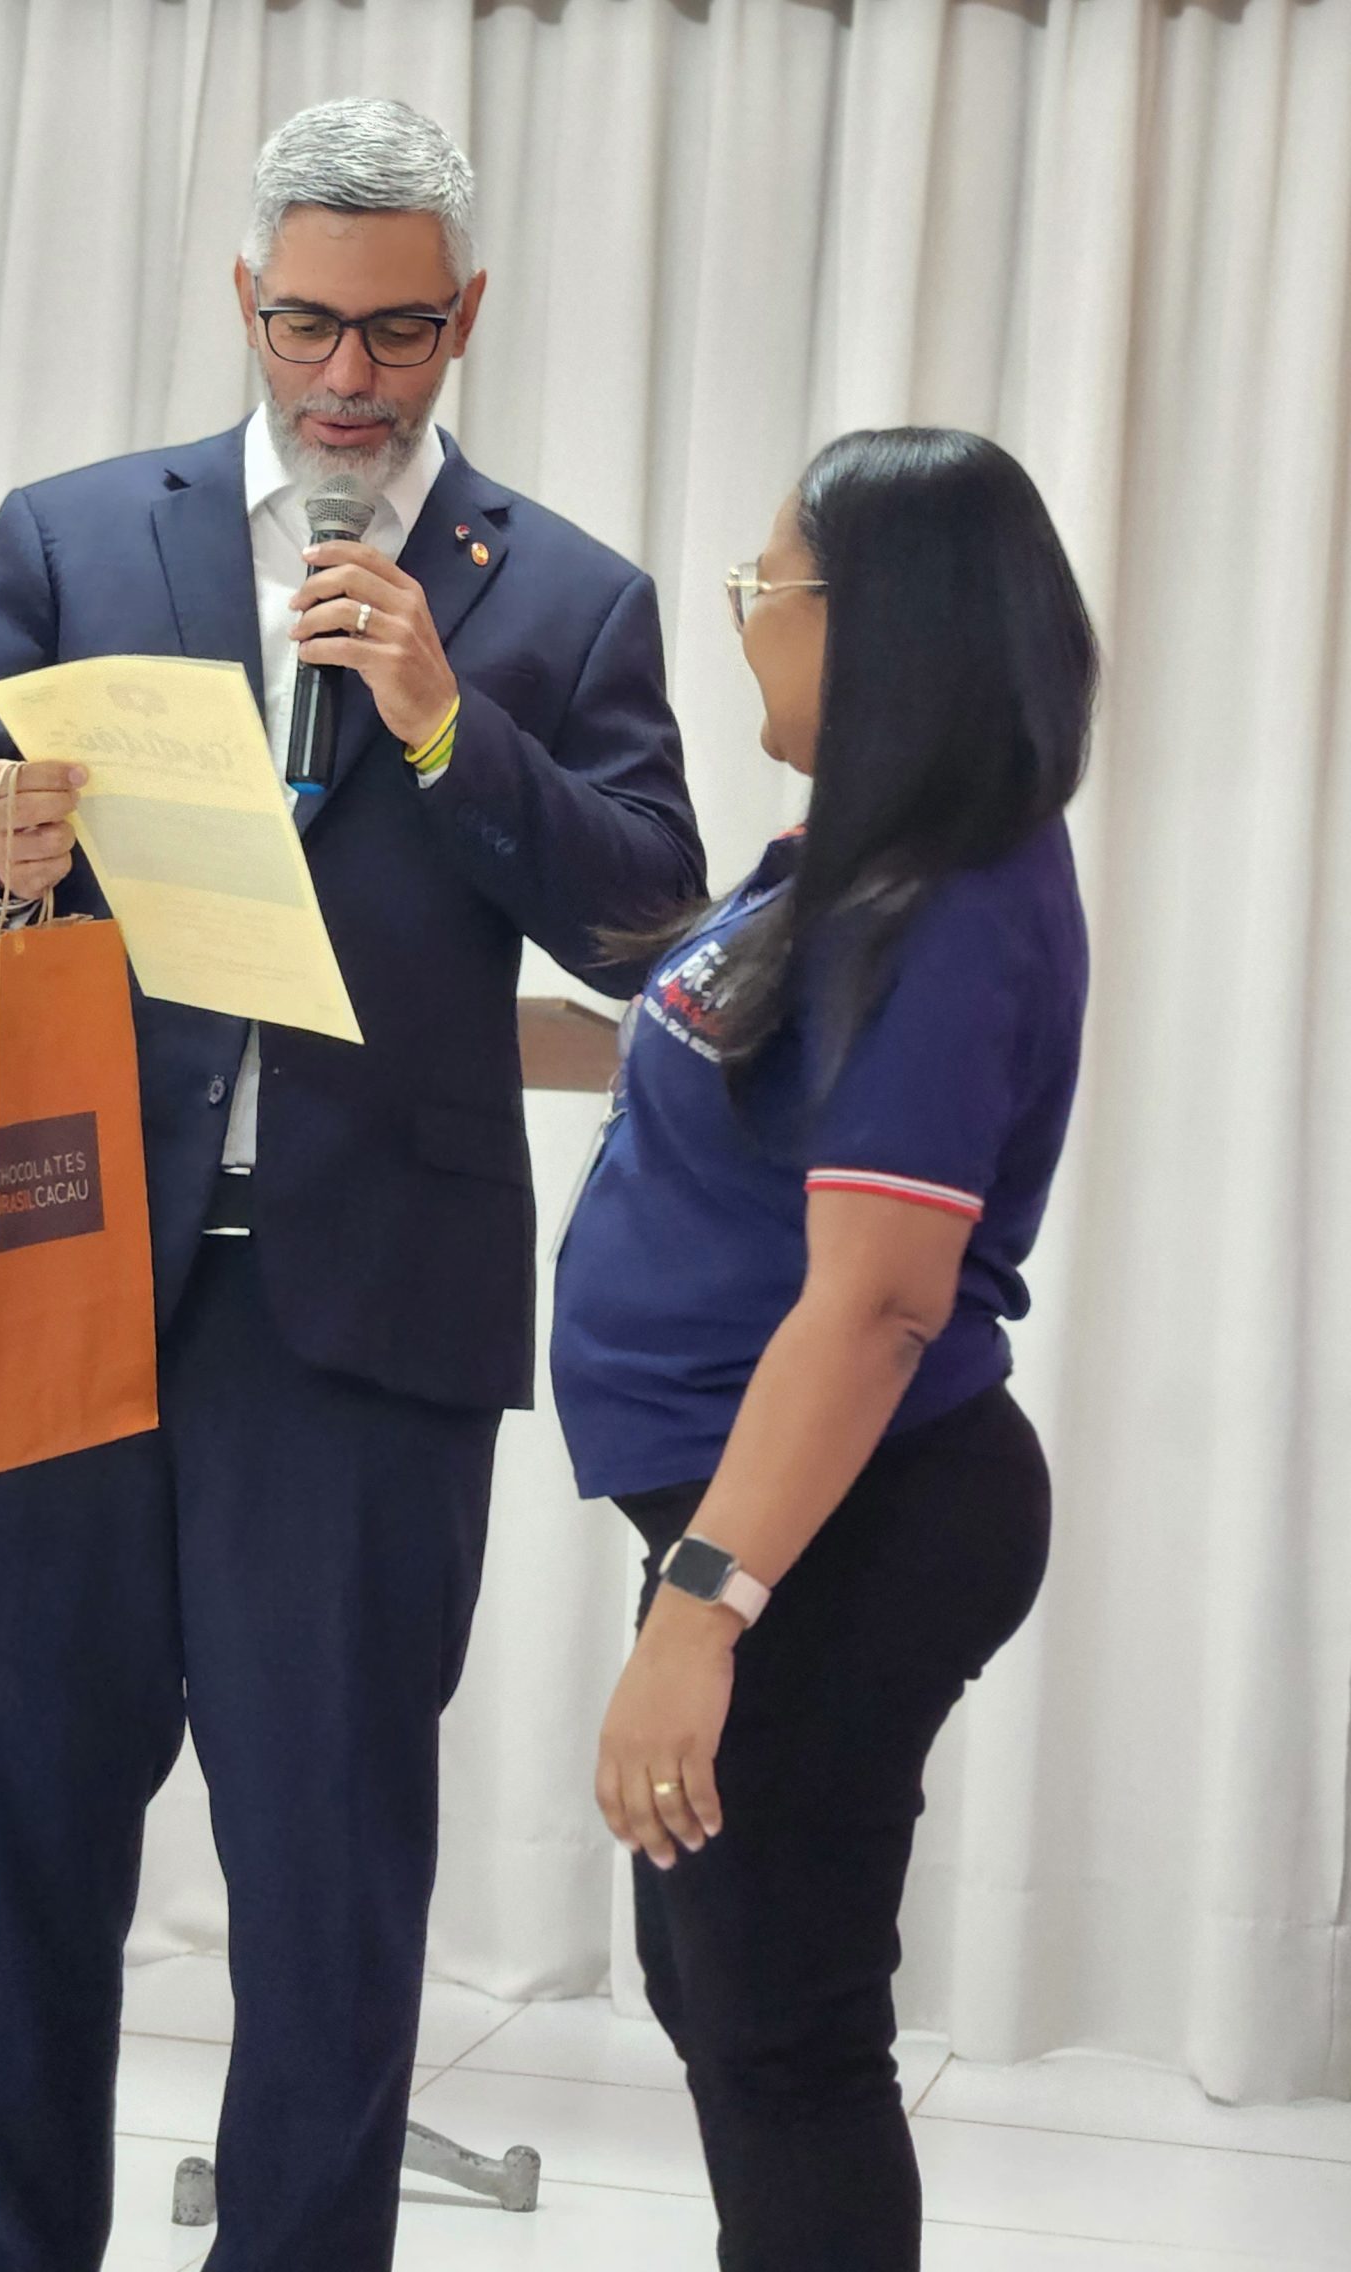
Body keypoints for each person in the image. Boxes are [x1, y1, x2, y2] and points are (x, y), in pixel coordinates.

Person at [0, 97, 703, 2272]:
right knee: (17, 1859)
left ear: (469, 315)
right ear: (246, 300)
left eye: (399, 334)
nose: (350, 379)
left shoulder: (564, 597)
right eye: (309, 327)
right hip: (61, 1289)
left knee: (333, 1892)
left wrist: (452, 726)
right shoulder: (80, 533)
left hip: (360, 1327)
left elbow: (647, 918)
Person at [551, 427, 1096, 2270]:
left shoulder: (949, 902)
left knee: (784, 2034)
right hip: (781, 1519)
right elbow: (715, 1059)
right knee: (720, 1985)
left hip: (843, 1524)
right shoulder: (853, 866)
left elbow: (877, 1302)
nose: (742, 626)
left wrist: (703, 1612)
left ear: (877, 623)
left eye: (759, 589)